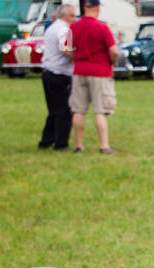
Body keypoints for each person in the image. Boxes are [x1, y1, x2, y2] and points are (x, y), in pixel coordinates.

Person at [68, 0, 119, 154]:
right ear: (97, 8)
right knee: (100, 110)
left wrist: (76, 58)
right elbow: (114, 51)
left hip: (80, 71)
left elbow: (67, 49)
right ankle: (104, 145)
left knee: (78, 110)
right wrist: (111, 63)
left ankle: (78, 145)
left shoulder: (73, 27)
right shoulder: (102, 27)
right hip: (100, 72)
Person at [38, 3, 75, 150]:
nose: (74, 19)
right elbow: (66, 48)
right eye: (72, 15)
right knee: (64, 111)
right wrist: (77, 57)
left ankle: (46, 140)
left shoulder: (51, 28)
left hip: (47, 71)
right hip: (60, 74)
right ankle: (61, 143)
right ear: (64, 15)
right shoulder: (64, 29)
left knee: (53, 110)